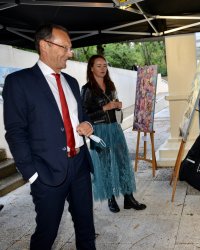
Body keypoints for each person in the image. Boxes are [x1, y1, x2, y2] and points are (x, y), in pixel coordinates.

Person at [2, 24, 96, 249]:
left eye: (71, 48)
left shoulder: (72, 82)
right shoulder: (19, 83)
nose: (70, 53)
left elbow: (81, 118)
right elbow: (15, 132)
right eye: (65, 47)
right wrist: (31, 174)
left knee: (86, 228)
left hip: (80, 166)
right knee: (46, 233)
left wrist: (87, 125)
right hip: (46, 172)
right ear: (44, 45)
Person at [81, 55, 146, 213]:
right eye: (99, 66)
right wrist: (105, 108)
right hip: (99, 130)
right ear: (91, 68)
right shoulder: (87, 89)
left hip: (115, 128)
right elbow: (84, 115)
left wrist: (117, 105)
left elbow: (112, 104)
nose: (103, 68)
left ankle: (128, 197)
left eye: (105, 65)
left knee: (123, 161)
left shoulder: (110, 85)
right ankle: (110, 198)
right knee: (105, 165)